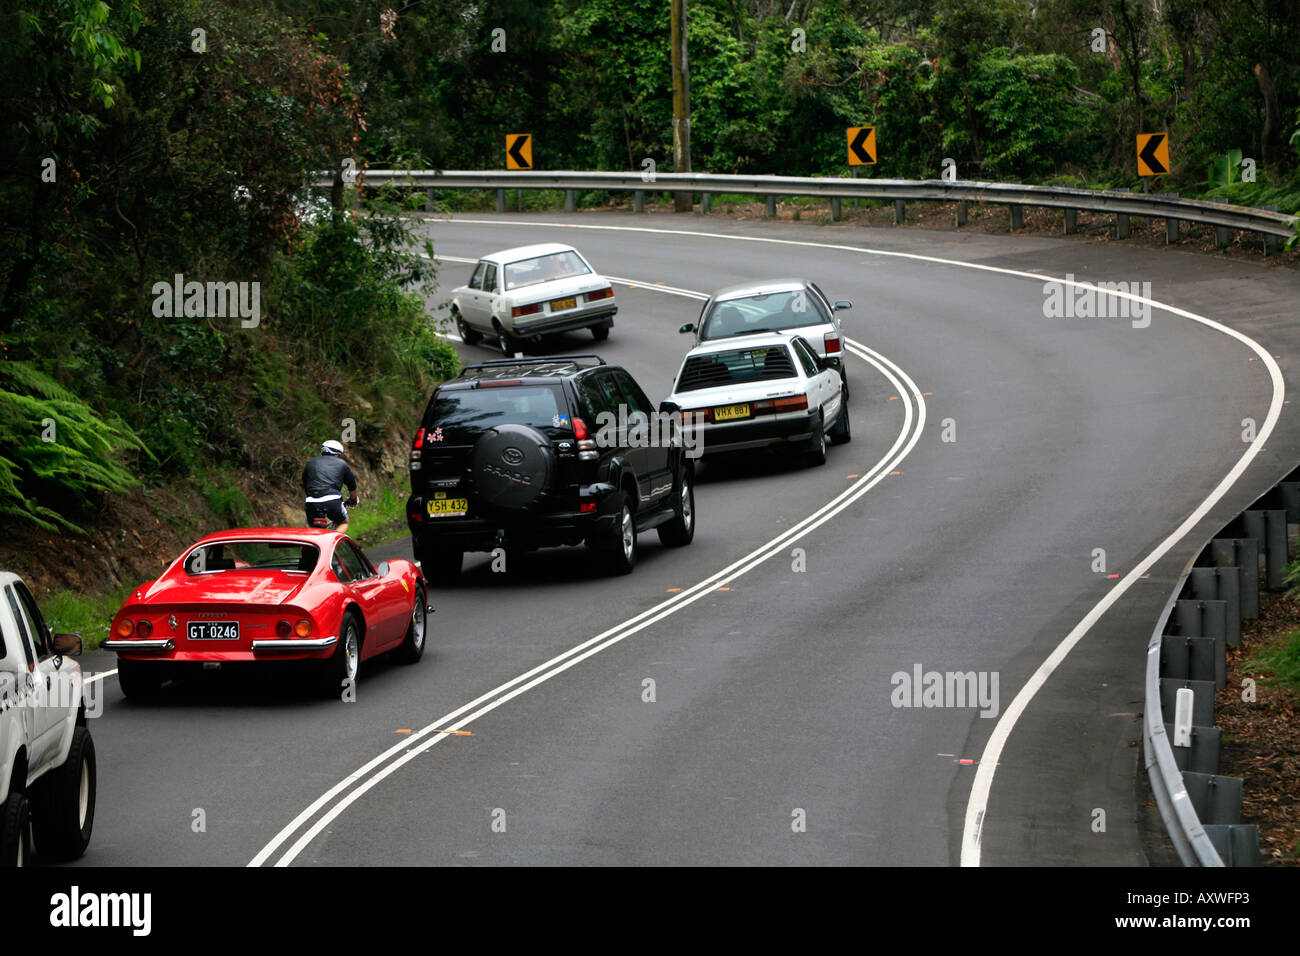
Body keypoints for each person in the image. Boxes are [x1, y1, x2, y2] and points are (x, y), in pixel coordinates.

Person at [302, 439, 358, 534]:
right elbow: (352, 485)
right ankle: (330, 543)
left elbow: (305, 482)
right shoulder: (341, 464)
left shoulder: (310, 463)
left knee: (313, 530)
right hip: (332, 500)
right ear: (336, 454)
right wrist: (353, 500)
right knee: (343, 523)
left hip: (311, 502)